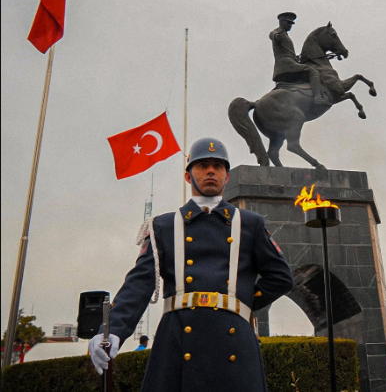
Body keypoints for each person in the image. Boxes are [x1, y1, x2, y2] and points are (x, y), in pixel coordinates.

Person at [89, 137, 294, 392]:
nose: (211, 171)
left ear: (227, 176)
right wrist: (113, 330)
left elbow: (281, 278)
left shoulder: (250, 223)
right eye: (203, 165)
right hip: (178, 340)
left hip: (234, 341)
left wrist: (240, 302)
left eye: (218, 166)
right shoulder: (163, 226)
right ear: (188, 176)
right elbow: (139, 284)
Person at [269, 12, 327, 105]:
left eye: (291, 24)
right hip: (286, 64)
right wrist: (276, 36)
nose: (290, 25)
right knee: (313, 72)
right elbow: (272, 35)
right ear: (281, 22)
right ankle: (318, 97)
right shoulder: (278, 32)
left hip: (290, 62)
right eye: (288, 23)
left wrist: (296, 58)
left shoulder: (286, 35)